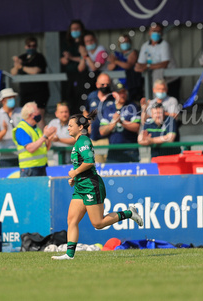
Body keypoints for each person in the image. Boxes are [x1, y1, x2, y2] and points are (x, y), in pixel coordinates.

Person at [51, 111, 143, 260]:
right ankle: (69, 255)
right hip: (81, 186)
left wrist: (75, 172)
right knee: (71, 220)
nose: (68, 128)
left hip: (91, 185)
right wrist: (75, 177)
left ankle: (129, 213)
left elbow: (89, 162)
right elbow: (83, 165)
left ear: (80, 127)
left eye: (70, 126)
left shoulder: (84, 141)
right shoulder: (78, 142)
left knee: (98, 223)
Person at [10, 37, 49, 129]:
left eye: (34, 46)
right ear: (25, 46)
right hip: (26, 92)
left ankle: (44, 138)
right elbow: (13, 72)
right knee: (26, 116)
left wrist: (21, 66)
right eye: (29, 45)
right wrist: (16, 64)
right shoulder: (22, 57)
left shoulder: (39, 57)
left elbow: (35, 70)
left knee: (38, 116)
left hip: (39, 92)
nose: (31, 47)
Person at [135, 23, 180, 100]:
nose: (156, 33)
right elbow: (140, 64)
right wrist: (140, 67)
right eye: (154, 31)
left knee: (171, 103)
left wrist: (147, 66)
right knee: (154, 103)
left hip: (170, 80)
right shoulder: (145, 46)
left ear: (162, 33)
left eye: (158, 31)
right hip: (154, 80)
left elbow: (164, 64)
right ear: (149, 32)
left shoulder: (165, 45)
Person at [12, 101, 56, 177]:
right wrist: (45, 136)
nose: (39, 113)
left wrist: (48, 138)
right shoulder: (21, 129)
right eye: (37, 112)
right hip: (29, 169)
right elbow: (30, 148)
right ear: (30, 115)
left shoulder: (36, 128)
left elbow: (45, 148)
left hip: (41, 167)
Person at [99, 83, 141, 163]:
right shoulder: (109, 108)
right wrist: (113, 122)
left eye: (124, 92)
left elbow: (136, 127)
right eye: (119, 93)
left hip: (130, 152)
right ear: (114, 94)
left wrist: (121, 121)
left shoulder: (132, 106)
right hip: (114, 153)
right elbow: (102, 131)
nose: (122, 95)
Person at [0, 88, 22, 168]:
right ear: (3, 101)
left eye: (13, 97)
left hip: (22, 155)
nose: (12, 100)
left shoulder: (21, 112)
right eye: (9, 98)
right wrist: (4, 131)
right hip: (6, 157)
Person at [60, 19, 88, 114]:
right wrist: (69, 58)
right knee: (70, 100)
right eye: (73, 29)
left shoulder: (85, 42)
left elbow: (86, 58)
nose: (75, 31)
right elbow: (63, 60)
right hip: (69, 76)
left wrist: (71, 57)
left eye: (77, 28)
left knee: (82, 100)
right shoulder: (67, 43)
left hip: (83, 76)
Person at [84, 73, 114, 162]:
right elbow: (85, 111)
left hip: (110, 139)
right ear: (97, 85)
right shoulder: (91, 96)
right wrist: (88, 124)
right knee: (97, 168)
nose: (105, 86)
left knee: (111, 169)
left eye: (107, 84)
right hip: (94, 139)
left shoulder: (114, 97)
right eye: (102, 84)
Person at [107, 33, 143, 103]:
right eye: (123, 42)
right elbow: (110, 67)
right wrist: (115, 62)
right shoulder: (117, 54)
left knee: (129, 101)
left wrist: (116, 61)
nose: (125, 44)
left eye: (126, 42)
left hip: (130, 83)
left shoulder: (133, 52)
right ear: (119, 44)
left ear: (130, 42)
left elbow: (128, 65)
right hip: (117, 83)